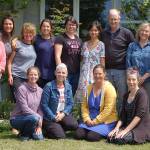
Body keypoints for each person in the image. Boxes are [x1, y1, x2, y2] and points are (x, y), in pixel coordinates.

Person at [101, 9, 134, 114]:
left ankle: (121, 119)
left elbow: (133, 49)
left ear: (119, 19)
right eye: (111, 19)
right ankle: (110, 119)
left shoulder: (126, 33)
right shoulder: (103, 33)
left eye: (115, 19)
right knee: (109, 96)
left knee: (122, 96)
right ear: (108, 19)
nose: (113, 21)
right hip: (106, 70)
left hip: (121, 70)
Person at [75, 64, 117, 142]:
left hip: (106, 121)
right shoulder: (88, 87)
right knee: (78, 134)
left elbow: (108, 110)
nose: (97, 76)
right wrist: (87, 119)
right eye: (95, 74)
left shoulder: (109, 88)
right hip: (90, 120)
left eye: (100, 74)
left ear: (104, 74)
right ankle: (90, 128)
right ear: (93, 74)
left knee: (92, 137)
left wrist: (95, 121)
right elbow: (84, 106)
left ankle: (102, 131)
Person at [108, 68, 150, 144]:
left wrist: (125, 131)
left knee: (119, 139)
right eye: (129, 79)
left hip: (140, 128)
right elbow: (122, 116)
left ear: (138, 80)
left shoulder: (142, 94)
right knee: (110, 137)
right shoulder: (126, 95)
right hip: (128, 126)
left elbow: (138, 116)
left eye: (133, 79)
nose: (131, 82)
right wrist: (116, 128)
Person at [41, 63, 78, 139]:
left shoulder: (68, 86)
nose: (61, 74)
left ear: (66, 74)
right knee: (61, 136)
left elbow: (70, 103)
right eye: (59, 72)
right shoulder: (48, 86)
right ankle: (47, 130)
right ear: (55, 73)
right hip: (50, 116)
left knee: (74, 125)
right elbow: (44, 105)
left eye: (63, 73)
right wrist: (53, 117)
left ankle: (58, 128)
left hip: (62, 114)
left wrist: (63, 114)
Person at [10, 67, 44, 141]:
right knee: (33, 118)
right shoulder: (22, 89)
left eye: (35, 74)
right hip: (17, 118)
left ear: (38, 76)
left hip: (33, 119)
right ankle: (24, 135)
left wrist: (39, 126)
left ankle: (26, 133)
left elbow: (40, 109)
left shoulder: (40, 91)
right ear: (27, 76)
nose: (33, 76)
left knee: (39, 138)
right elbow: (25, 109)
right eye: (31, 74)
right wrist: (38, 118)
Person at [75, 21, 105, 102]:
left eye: (95, 30)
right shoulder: (84, 44)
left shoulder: (101, 45)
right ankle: (82, 114)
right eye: (91, 30)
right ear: (89, 31)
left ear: (99, 32)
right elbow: (81, 59)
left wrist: (103, 75)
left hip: (95, 74)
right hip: (84, 74)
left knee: (94, 95)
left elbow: (102, 62)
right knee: (83, 98)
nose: (93, 32)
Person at [8, 22, 37, 102]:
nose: (28, 34)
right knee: (20, 100)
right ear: (23, 33)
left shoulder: (33, 46)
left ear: (33, 34)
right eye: (26, 32)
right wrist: (10, 75)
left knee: (27, 101)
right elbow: (10, 62)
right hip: (17, 76)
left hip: (29, 78)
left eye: (30, 32)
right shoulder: (17, 44)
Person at [55, 16, 82, 95]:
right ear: (66, 26)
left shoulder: (79, 39)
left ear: (76, 26)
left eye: (73, 25)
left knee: (72, 95)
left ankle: (70, 108)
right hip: (65, 73)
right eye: (69, 24)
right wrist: (61, 72)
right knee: (63, 94)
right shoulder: (60, 38)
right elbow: (57, 56)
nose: (71, 26)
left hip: (76, 73)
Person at [126, 22, 150, 111]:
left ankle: (146, 124)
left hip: (148, 80)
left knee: (146, 104)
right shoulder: (132, 46)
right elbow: (128, 62)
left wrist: (144, 77)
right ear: (139, 32)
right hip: (133, 81)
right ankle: (133, 123)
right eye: (142, 31)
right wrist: (135, 77)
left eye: (147, 31)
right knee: (133, 103)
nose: (144, 33)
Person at [34, 19, 56, 88]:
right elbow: (24, 38)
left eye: (48, 26)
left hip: (51, 74)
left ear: (51, 28)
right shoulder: (35, 38)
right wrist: (15, 39)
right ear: (40, 28)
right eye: (43, 26)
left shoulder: (55, 40)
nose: (45, 28)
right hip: (38, 74)